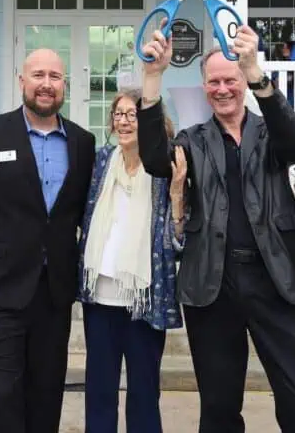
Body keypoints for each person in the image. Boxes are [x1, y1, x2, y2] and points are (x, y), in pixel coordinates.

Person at [137, 23, 295, 433]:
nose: (222, 89)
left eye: (231, 80)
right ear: (204, 87)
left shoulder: (270, 131)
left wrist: (256, 72)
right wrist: (153, 77)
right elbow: (155, 160)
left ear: (244, 82)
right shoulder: (194, 139)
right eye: (213, 82)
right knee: (220, 409)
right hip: (213, 284)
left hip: (276, 280)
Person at [0, 48, 95, 433]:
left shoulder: (82, 142)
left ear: (65, 85)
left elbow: (78, 215)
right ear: (22, 81)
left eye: (55, 77)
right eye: (39, 75)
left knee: (46, 394)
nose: (47, 84)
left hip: (54, 294)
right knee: (3, 395)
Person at [77, 89, 186, 433]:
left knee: (143, 392)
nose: (123, 121)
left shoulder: (164, 168)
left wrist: (178, 195)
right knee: (99, 391)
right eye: (119, 114)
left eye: (133, 114)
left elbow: (177, 240)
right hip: (100, 297)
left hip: (144, 300)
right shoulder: (100, 161)